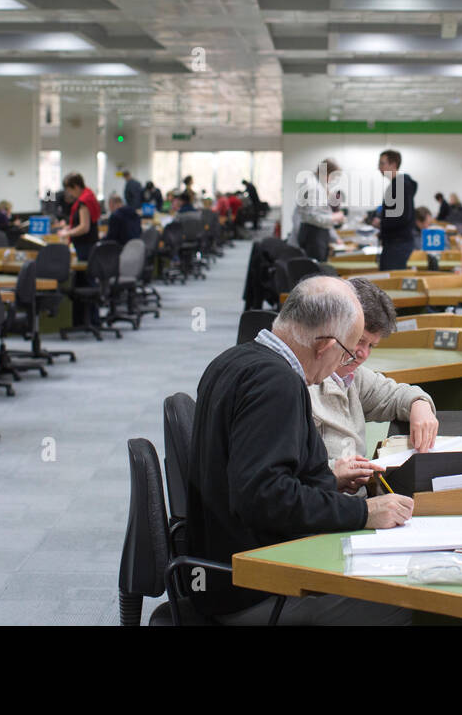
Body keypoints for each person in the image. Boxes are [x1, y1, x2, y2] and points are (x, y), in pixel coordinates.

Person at [187, 276, 414, 624]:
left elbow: (250, 476)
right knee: (411, 599)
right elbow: (264, 498)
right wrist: (364, 513)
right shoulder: (276, 384)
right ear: (324, 344)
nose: (346, 362)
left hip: (220, 571)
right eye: (348, 351)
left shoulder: (234, 360)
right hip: (256, 588)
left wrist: (326, 479)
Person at [310, 278, 439, 494]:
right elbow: (282, 477)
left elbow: (396, 395)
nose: (363, 354)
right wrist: (332, 474)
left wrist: (420, 404)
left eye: (371, 345)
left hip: (355, 502)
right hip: (322, 504)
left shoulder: (352, 376)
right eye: (359, 341)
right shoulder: (301, 384)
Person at [57, 173, 101, 325]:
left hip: (85, 247)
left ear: (75, 187)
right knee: (85, 282)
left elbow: (84, 227)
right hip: (88, 246)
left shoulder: (83, 202)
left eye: (69, 190)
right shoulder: (89, 196)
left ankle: (89, 320)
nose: (69, 194)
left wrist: (67, 232)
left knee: (86, 282)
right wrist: (69, 227)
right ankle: (85, 320)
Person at [294, 158, 345, 262]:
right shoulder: (313, 186)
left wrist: (335, 237)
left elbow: (320, 212)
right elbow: (313, 216)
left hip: (316, 232)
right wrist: (334, 217)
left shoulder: (318, 184)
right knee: (316, 269)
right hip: (314, 234)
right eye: (333, 177)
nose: (332, 181)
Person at [374, 149, 416, 271]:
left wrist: (381, 223)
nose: (379, 167)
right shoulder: (397, 184)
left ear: (393, 165)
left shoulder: (400, 185)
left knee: (390, 281)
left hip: (398, 244)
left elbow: (402, 216)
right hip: (395, 242)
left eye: (382, 163)